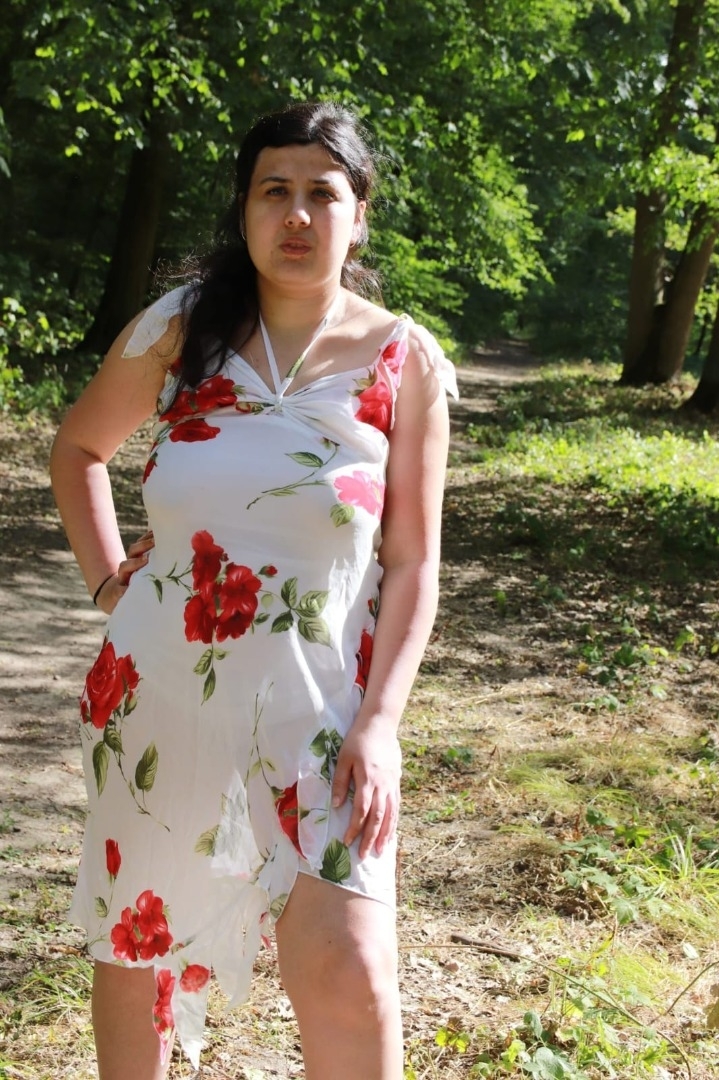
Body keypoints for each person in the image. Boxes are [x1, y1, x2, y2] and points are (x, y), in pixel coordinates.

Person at [50, 100, 457, 1080]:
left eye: (322, 192)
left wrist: (381, 724)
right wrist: (109, 586)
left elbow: (412, 562)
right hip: (160, 698)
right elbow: (79, 450)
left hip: (324, 710)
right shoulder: (180, 328)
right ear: (243, 210)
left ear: (359, 214)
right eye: (273, 190)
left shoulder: (402, 361)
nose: (296, 214)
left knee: (349, 965)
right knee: (139, 948)